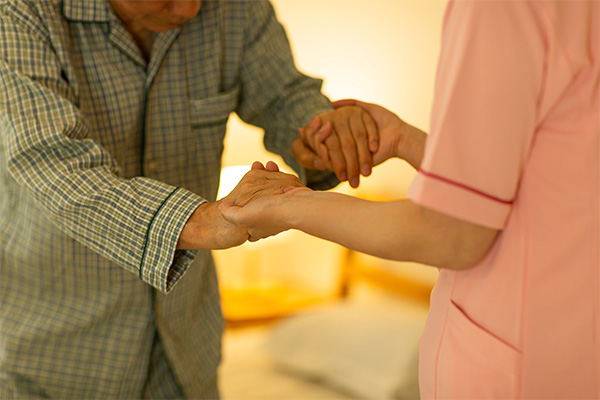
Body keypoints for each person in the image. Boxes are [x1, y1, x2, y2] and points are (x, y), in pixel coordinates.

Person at [221, 0, 600, 398]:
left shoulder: (503, 9)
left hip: (520, 366)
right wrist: (406, 140)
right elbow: (547, 186)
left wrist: (287, 204)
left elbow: (451, 234)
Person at [0, 0, 377, 398]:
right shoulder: (21, 14)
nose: (192, 7)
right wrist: (206, 221)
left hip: (186, 357)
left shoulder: (237, 9)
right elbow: (58, 167)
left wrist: (326, 136)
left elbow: (285, 98)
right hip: (50, 360)